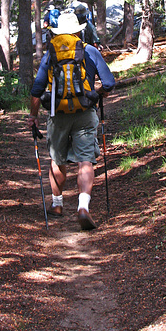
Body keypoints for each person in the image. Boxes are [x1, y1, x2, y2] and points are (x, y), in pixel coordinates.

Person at [27, 13, 115, 231]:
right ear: (78, 31)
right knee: (85, 160)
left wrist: (33, 116)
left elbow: (37, 91)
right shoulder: (90, 51)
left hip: (58, 115)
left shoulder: (51, 54)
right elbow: (109, 83)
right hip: (85, 112)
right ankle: (83, 207)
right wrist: (97, 94)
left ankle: (57, 205)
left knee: (58, 160)